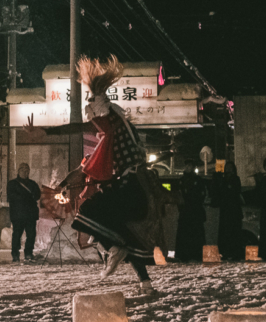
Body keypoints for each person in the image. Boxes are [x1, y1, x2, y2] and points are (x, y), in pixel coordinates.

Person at [24, 55, 169, 295]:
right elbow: (82, 170)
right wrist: (62, 184)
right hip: (134, 185)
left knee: (87, 214)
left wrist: (46, 130)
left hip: (132, 186)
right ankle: (145, 283)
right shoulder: (111, 134)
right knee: (126, 235)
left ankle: (113, 247)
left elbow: (79, 128)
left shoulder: (111, 124)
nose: (92, 120)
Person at [7, 162, 42, 263]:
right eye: (23, 169)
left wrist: (25, 197)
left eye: (27, 170)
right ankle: (15, 254)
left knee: (31, 235)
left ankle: (28, 253)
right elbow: (12, 197)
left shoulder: (33, 184)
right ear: (18, 171)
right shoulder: (12, 184)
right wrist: (27, 197)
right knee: (17, 235)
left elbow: (37, 195)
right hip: (18, 214)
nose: (25, 172)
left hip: (30, 214)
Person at [173, 161, 206, 262]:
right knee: (184, 233)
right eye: (186, 165)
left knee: (195, 232)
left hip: (195, 210)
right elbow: (177, 194)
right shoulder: (181, 180)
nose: (187, 167)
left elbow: (202, 194)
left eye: (190, 166)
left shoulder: (198, 180)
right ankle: (183, 254)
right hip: (185, 211)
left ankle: (196, 254)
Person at [215, 161, 245, 261]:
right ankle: (225, 252)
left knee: (234, 232)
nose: (228, 169)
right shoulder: (222, 179)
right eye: (226, 167)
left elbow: (236, 191)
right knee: (225, 232)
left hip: (234, 210)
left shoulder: (236, 179)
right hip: (225, 209)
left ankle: (235, 253)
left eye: (230, 167)